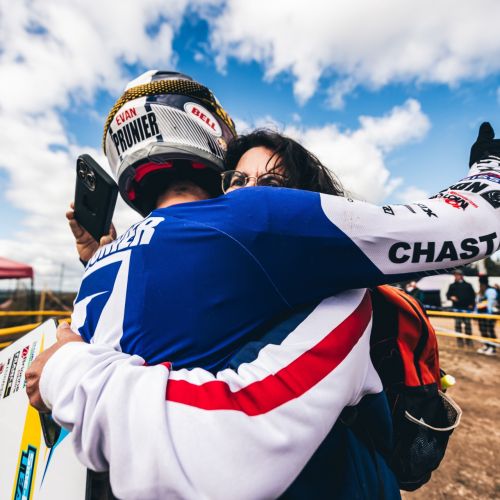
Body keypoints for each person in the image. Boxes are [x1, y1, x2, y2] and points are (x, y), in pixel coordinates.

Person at [27, 68, 500, 498]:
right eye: (237, 179)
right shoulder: (190, 241)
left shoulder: (216, 237)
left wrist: (66, 367)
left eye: (271, 186)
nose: (249, 194)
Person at [446, 270, 476, 347]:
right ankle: (460, 341)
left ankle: (469, 341)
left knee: (468, 325)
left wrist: (471, 305)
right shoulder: (452, 286)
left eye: (457, 275)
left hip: (466, 309)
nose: (456, 276)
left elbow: (473, 296)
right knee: (458, 325)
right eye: (455, 275)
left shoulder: (468, 285)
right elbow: (448, 295)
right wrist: (451, 297)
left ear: (461, 276)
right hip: (457, 308)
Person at [476, 275, 498, 355]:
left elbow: (490, 303)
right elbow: (478, 303)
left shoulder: (490, 290)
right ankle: (486, 345)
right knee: (483, 330)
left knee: (490, 330)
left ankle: (493, 348)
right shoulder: (481, 292)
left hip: (489, 315)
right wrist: (476, 313)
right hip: (481, 315)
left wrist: (489, 314)